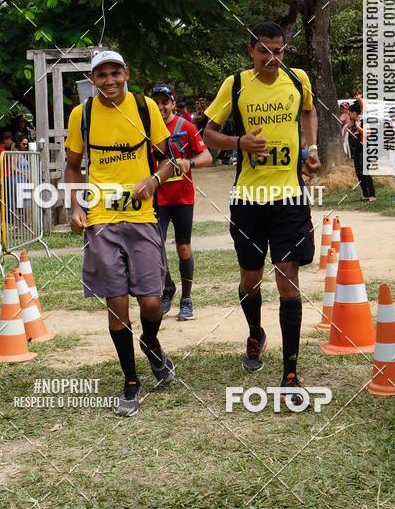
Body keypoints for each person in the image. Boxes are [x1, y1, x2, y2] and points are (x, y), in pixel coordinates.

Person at [203, 20, 320, 397]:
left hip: (288, 196)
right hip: (248, 199)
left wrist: (311, 149)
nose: (272, 58)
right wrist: (240, 142)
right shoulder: (235, 84)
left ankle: (290, 372)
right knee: (251, 279)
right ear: (251, 51)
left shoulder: (298, 78)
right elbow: (209, 134)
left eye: (279, 51)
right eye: (265, 51)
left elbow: (308, 111)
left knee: (288, 278)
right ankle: (255, 334)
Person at [65, 50, 176, 417]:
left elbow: (169, 160)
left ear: (126, 73)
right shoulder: (82, 116)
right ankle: (131, 381)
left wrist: (153, 179)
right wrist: (76, 207)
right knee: (116, 305)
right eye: (102, 74)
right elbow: (72, 166)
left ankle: (151, 342)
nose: (110, 80)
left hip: (142, 218)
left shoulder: (145, 108)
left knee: (151, 302)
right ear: (92, 79)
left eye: (115, 72)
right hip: (101, 221)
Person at [151, 83, 212, 320]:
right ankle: (167, 288)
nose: (160, 107)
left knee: (183, 247)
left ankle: (186, 299)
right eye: (155, 102)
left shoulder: (185, 127)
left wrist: (191, 163)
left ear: (173, 104)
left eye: (164, 102)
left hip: (182, 197)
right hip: (158, 197)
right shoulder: (147, 129)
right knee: (155, 246)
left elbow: (206, 155)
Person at [347, 103, 376, 201]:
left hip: (364, 150)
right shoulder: (354, 122)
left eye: (350, 113)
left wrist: (358, 128)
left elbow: (368, 133)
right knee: (359, 172)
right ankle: (365, 193)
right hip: (356, 150)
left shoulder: (364, 121)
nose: (349, 115)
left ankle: (372, 194)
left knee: (365, 172)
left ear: (354, 113)